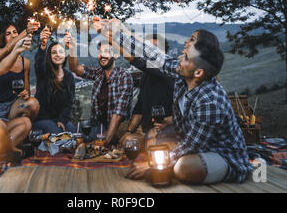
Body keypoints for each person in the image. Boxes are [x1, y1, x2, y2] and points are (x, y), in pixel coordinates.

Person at [93, 19, 253, 184]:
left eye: (184, 57)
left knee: (183, 167)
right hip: (192, 143)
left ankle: (162, 172)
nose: (178, 58)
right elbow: (150, 53)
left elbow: (192, 145)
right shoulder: (182, 73)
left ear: (198, 72)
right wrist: (118, 32)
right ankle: (165, 167)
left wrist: (151, 165)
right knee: (153, 143)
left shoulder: (210, 100)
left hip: (221, 155)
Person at [65, 33, 133, 146]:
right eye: (100, 52)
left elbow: (118, 115)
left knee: (91, 147)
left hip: (118, 128)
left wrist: (102, 143)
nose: (102, 55)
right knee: (71, 134)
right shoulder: (98, 74)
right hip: (98, 127)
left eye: (107, 51)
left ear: (116, 55)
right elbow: (75, 68)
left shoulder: (124, 76)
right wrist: (72, 49)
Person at [0, 21, 40, 123]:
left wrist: (25, 93)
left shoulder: (25, 63)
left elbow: (27, 91)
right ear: (2, 38)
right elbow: (7, 49)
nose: (13, 35)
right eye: (8, 34)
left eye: (15, 32)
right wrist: (26, 31)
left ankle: (10, 127)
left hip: (11, 107)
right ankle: (7, 130)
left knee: (33, 103)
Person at [119, 33, 174, 148]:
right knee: (116, 134)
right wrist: (129, 131)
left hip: (164, 129)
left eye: (153, 49)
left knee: (127, 142)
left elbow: (133, 58)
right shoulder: (146, 75)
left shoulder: (167, 74)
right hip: (144, 128)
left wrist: (114, 37)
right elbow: (139, 108)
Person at [32, 27, 77, 134]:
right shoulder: (44, 73)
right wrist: (43, 46)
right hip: (42, 119)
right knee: (57, 133)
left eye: (61, 52)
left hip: (59, 118)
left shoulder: (69, 76)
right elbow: (39, 63)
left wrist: (62, 120)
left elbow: (68, 103)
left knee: (72, 132)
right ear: (49, 56)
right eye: (53, 52)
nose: (57, 55)